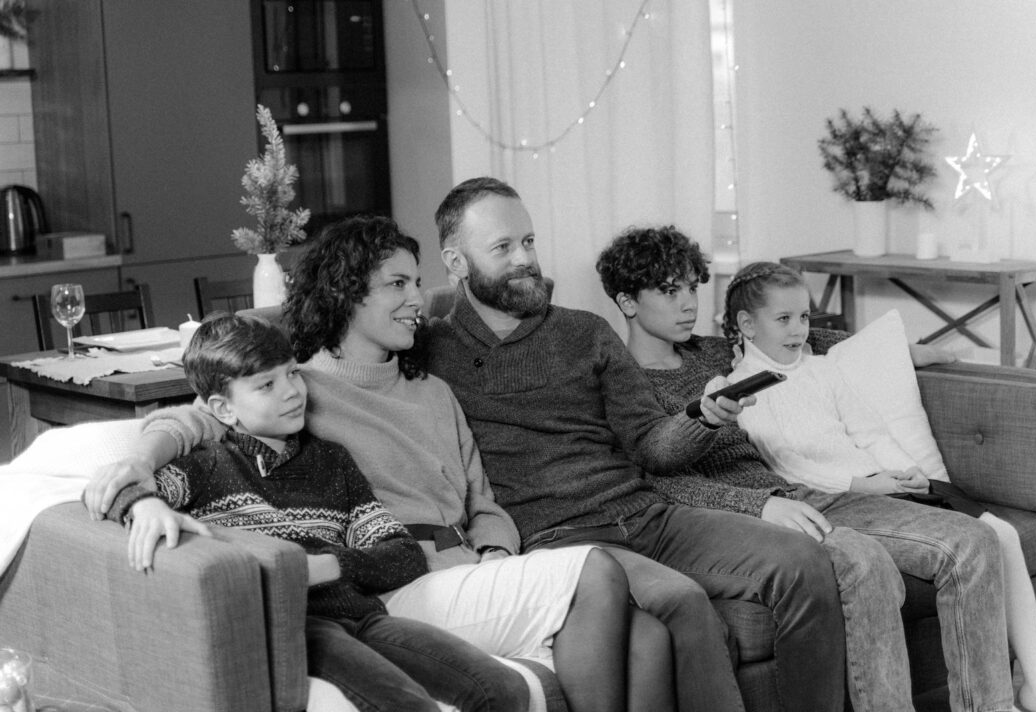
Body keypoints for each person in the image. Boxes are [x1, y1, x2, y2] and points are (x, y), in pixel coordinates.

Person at [86, 217, 674, 712]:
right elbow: (197, 422)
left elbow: (482, 501)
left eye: (417, 282)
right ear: (346, 293)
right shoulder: (297, 386)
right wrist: (138, 465)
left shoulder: (432, 391)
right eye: (397, 284)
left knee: (646, 633)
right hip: (401, 579)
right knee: (597, 571)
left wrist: (495, 555)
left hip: (468, 571)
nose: (418, 300)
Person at [424, 176, 850, 712]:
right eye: (502, 247)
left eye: (529, 241)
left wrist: (702, 418)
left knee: (803, 560)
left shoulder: (585, 332)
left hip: (647, 515)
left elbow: (651, 445)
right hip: (562, 542)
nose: (524, 259)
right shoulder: (433, 350)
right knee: (683, 602)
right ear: (457, 262)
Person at [593, 225, 1036, 712]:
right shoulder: (622, 380)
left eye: (692, 288)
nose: (688, 303)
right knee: (863, 562)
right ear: (628, 302)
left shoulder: (711, 351)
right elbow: (656, 476)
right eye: (669, 290)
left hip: (800, 494)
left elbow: (807, 338)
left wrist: (900, 351)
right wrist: (758, 505)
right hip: (746, 516)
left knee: (974, 542)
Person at [102, 313, 529, 712]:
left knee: (504, 687)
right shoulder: (207, 466)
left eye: (291, 373)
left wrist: (324, 567)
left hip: (362, 616)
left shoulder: (332, 462)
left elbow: (402, 555)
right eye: (266, 386)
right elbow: (111, 490)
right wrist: (145, 504)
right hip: (299, 624)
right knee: (409, 705)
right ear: (223, 408)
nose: (291, 392)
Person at [724, 260, 1036, 712]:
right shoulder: (737, 389)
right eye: (783, 319)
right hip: (832, 499)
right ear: (747, 324)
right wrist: (865, 485)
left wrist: (903, 471)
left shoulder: (823, 370)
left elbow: (868, 431)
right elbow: (787, 465)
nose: (798, 330)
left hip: (881, 487)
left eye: (805, 317)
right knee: (974, 542)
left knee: (986, 536)